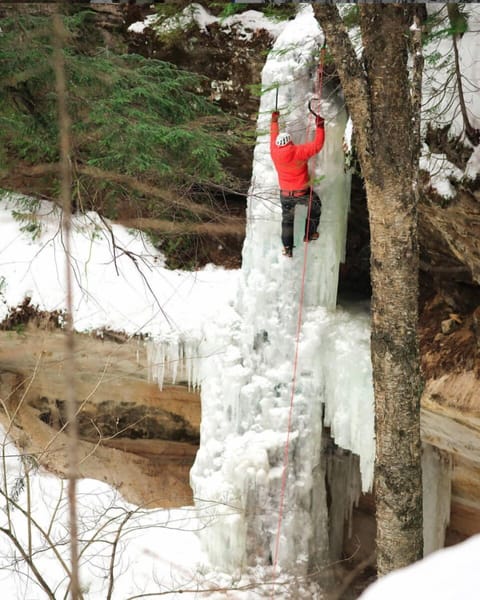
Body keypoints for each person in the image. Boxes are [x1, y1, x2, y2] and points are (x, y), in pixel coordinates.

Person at [270, 109, 325, 257]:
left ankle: (287, 248)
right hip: (302, 193)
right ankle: (310, 234)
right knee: (316, 206)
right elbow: (317, 145)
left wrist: (274, 122)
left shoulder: (274, 152)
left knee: (287, 221)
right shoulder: (298, 152)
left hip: (285, 195)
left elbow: (273, 137)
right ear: (289, 141)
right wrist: (320, 126)